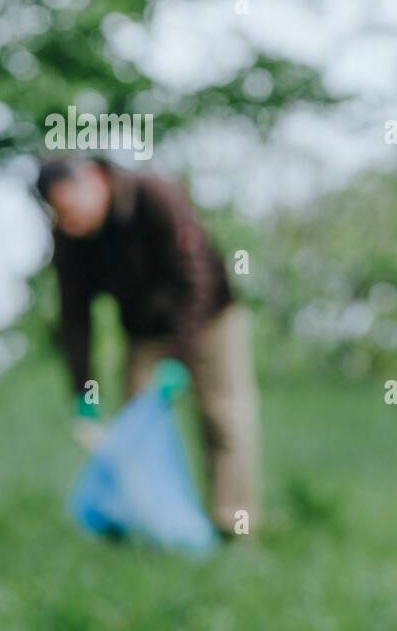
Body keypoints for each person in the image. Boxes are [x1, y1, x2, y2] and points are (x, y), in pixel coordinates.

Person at [35, 155, 261, 538]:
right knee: (136, 423)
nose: (69, 223)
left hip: (208, 318)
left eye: (72, 209)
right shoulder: (70, 235)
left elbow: (196, 280)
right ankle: (146, 525)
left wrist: (178, 360)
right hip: (143, 332)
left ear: (94, 180)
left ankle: (234, 526)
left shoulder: (154, 196)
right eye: (60, 215)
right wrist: (83, 390)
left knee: (223, 418)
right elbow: (75, 315)